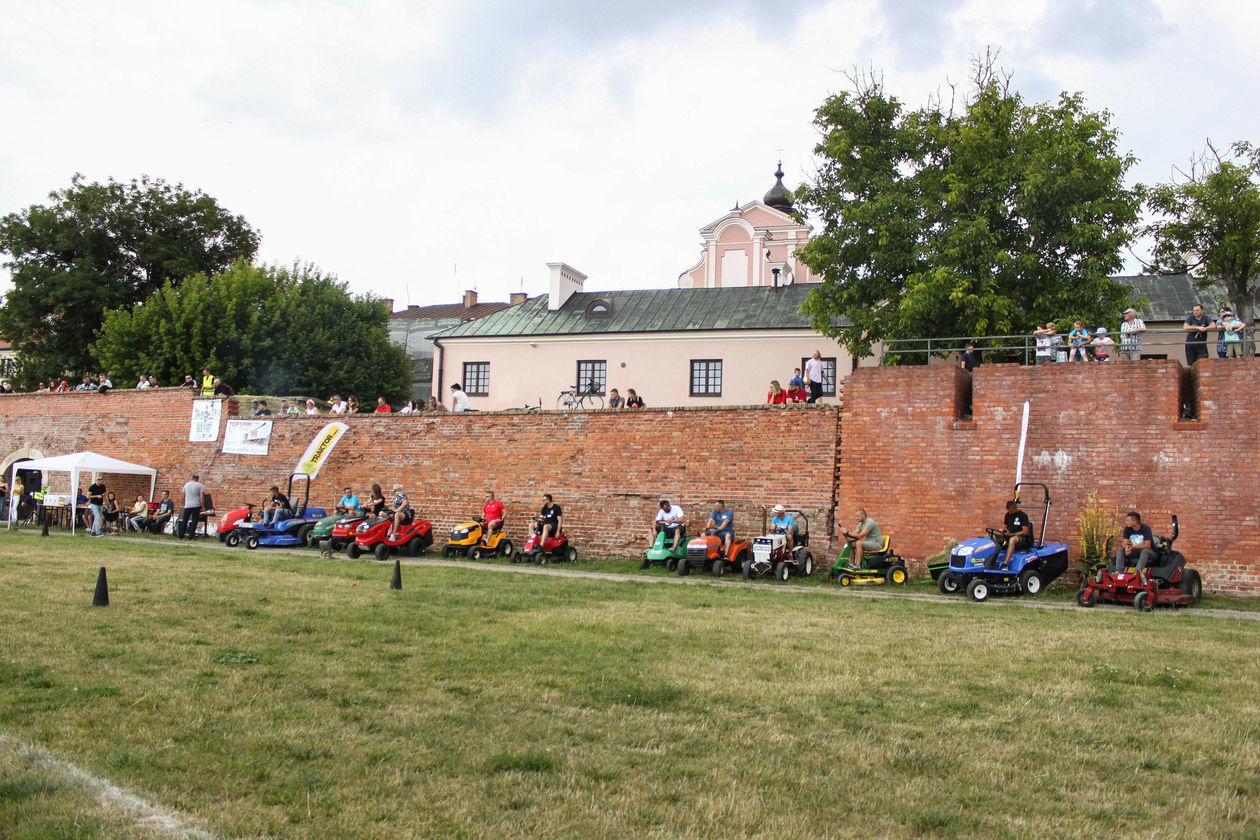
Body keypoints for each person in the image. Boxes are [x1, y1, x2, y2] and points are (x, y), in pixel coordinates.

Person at [1109, 510, 1156, 578]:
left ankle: (1137, 572)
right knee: (1120, 550)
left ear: (1135, 521)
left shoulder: (1145, 528)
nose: (1126, 522)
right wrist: (1127, 549)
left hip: (1150, 553)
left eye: (1128, 520)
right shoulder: (1127, 529)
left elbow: (1148, 546)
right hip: (1135, 551)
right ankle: (1118, 571)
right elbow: (1124, 543)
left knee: (1145, 551)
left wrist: (1133, 547)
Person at [992, 499, 1032, 569]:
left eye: (1011, 511)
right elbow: (1005, 526)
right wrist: (1004, 531)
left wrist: (1011, 534)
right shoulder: (1008, 515)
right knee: (994, 535)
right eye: (1009, 511)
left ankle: (1005, 563)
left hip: (1020, 537)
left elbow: (1025, 532)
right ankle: (992, 560)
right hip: (1009, 534)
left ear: (1014, 508)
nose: (1010, 512)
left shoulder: (1023, 516)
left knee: (1012, 540)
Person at [175, 474, 206, 540]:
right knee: (194, 521)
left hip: (188, 505)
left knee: (184, 520)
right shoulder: (200, 485)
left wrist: (183, 504)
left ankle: (181, 535)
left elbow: (183, 496)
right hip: (196, 505)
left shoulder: (186, 485)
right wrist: (203, 506)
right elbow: (202, 497)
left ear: (191, 478)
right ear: (198, 479)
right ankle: (191, 536)